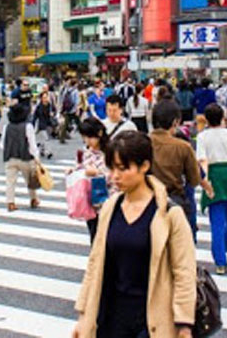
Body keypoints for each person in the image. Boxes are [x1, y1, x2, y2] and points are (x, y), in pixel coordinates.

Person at [72, 131, 196, 338]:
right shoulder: (111, 208)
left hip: (152, 319)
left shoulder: (169, 214)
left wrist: (184, 324)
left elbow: (184, 271)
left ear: (145, 166)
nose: (115, 176)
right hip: (112, 317)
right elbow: (95, 263)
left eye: (123, 168)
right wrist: (83, 315)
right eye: (112, 168)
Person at [197, 103, 227, 275]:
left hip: (214, 173)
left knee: (216, 219)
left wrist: (206, 180)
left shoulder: (203, 137)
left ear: (206, 119)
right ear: (223, 117)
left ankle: (220, 261)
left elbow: (202, 160)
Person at [148, 99, 201, 238]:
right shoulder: (183, 147)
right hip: (174, 200)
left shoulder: (143, 142)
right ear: (175, 122)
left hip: (147, 202)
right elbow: (194, 180)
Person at [72, 117, 111, 242]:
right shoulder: (85, 152)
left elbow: (115, 175)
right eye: (84, 137)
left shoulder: (110, 151)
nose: (87, 141)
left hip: (107, 201)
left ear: (99, 133)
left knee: (104, 237)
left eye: (89, 137)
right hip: (89, 200)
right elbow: (80, 167)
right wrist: (74, 171)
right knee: (94, 235)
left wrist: (97, 173)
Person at [1, 103, 40, 212]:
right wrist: (36, 158)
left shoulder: (6, 127)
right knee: (30, 180)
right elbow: (32, 145)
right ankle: (33, 199)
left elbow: (2, 144)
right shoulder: (28, 126)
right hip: (25, 157)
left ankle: (10, 202)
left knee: (10, 181)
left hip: (10, 157)